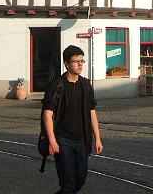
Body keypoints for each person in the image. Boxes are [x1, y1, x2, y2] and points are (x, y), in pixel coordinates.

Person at [42, 45, 104, 194]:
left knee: (80, 179)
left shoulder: (85, 85)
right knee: (68, 184)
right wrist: (52, 141)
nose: (80, 64)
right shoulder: (56, 85)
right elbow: (47, 115)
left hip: (82, 140)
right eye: (76, 61)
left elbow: (91, 112)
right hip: (63, 140)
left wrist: (97, 138)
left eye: (82, 61)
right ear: (66, 64)